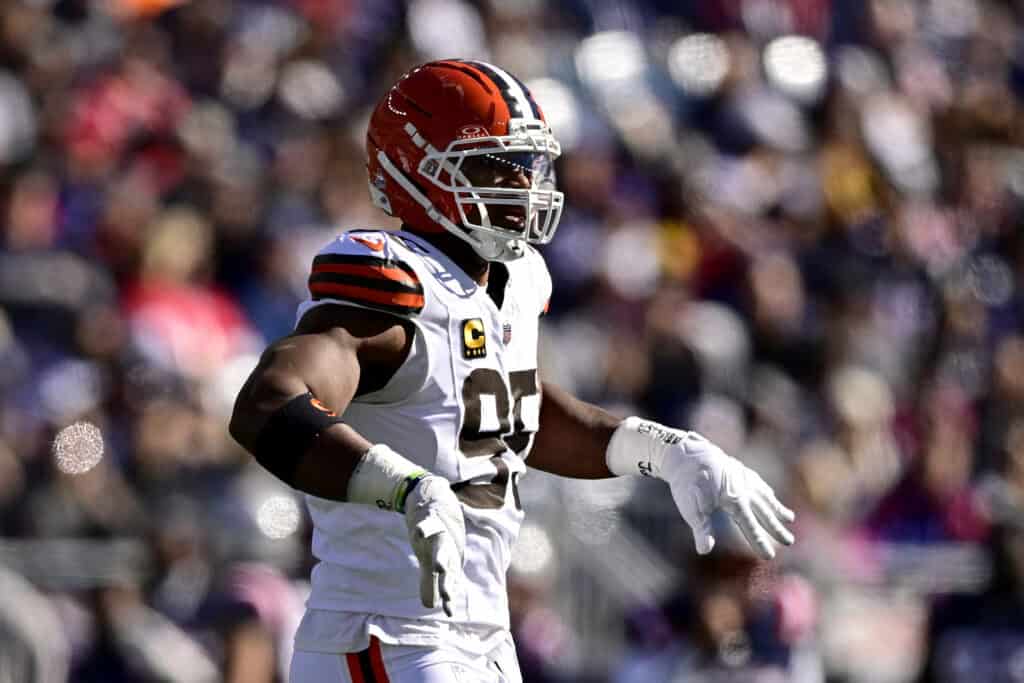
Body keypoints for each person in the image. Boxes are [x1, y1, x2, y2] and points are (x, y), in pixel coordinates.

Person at [229, 59, 796, 683]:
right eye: (493, 166)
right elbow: (268, 403)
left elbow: (510, 414)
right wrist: (400, 486)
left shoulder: (516, 283)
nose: (521, 188)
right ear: (417, 172)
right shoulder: (390, 287)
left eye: (527, 167)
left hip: (484, 636)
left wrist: (661, 449)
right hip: (385, 632)